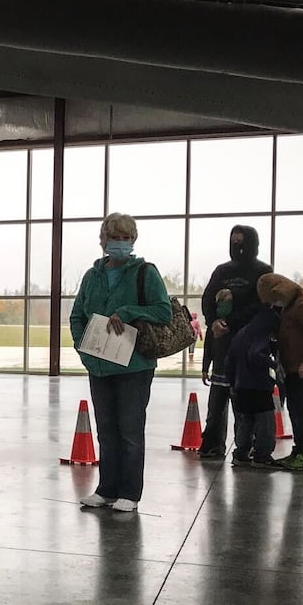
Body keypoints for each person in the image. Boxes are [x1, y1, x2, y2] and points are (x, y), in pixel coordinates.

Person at [68, 213, 174, 513]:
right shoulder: (92, 277)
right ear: (103, 240)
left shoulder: (145, 273)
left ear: (133, 240)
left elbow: (163, 311)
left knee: (130, 430)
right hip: (99, 365)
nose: (119, 243)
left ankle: (130, 493)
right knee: (106, 431)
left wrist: (127, 311)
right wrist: (83, 344)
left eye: (125, 238)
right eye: (114, 237)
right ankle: (107, 489)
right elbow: (77, 315)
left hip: (134, 367)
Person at [197, 225, 273, 459]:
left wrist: (230, 320)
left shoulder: (263, 271)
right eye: (233, 242)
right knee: (217, 399)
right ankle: (212, 443)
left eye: (241, 242)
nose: (237, 247)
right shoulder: (221, 271)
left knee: (243, 398)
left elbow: (260, 305)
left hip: (247, 344)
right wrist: (214, 322)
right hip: (221, 342)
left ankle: (245, 444)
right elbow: (208, 299)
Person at [257, 273, 303, 472]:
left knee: (300, 408)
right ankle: (300, 451)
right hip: (292, 365)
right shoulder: (289, 304)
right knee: (296, 409)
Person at [223, 302, 280, 469]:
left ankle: (241, 454)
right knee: (265, 423)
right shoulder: (261, 333)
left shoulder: (242, 332)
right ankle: (262, 456)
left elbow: (229, 362)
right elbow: (256, 354)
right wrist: (274, 364)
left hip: (241, 386)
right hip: (258, 385)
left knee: (245, 421)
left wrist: (233, 383)